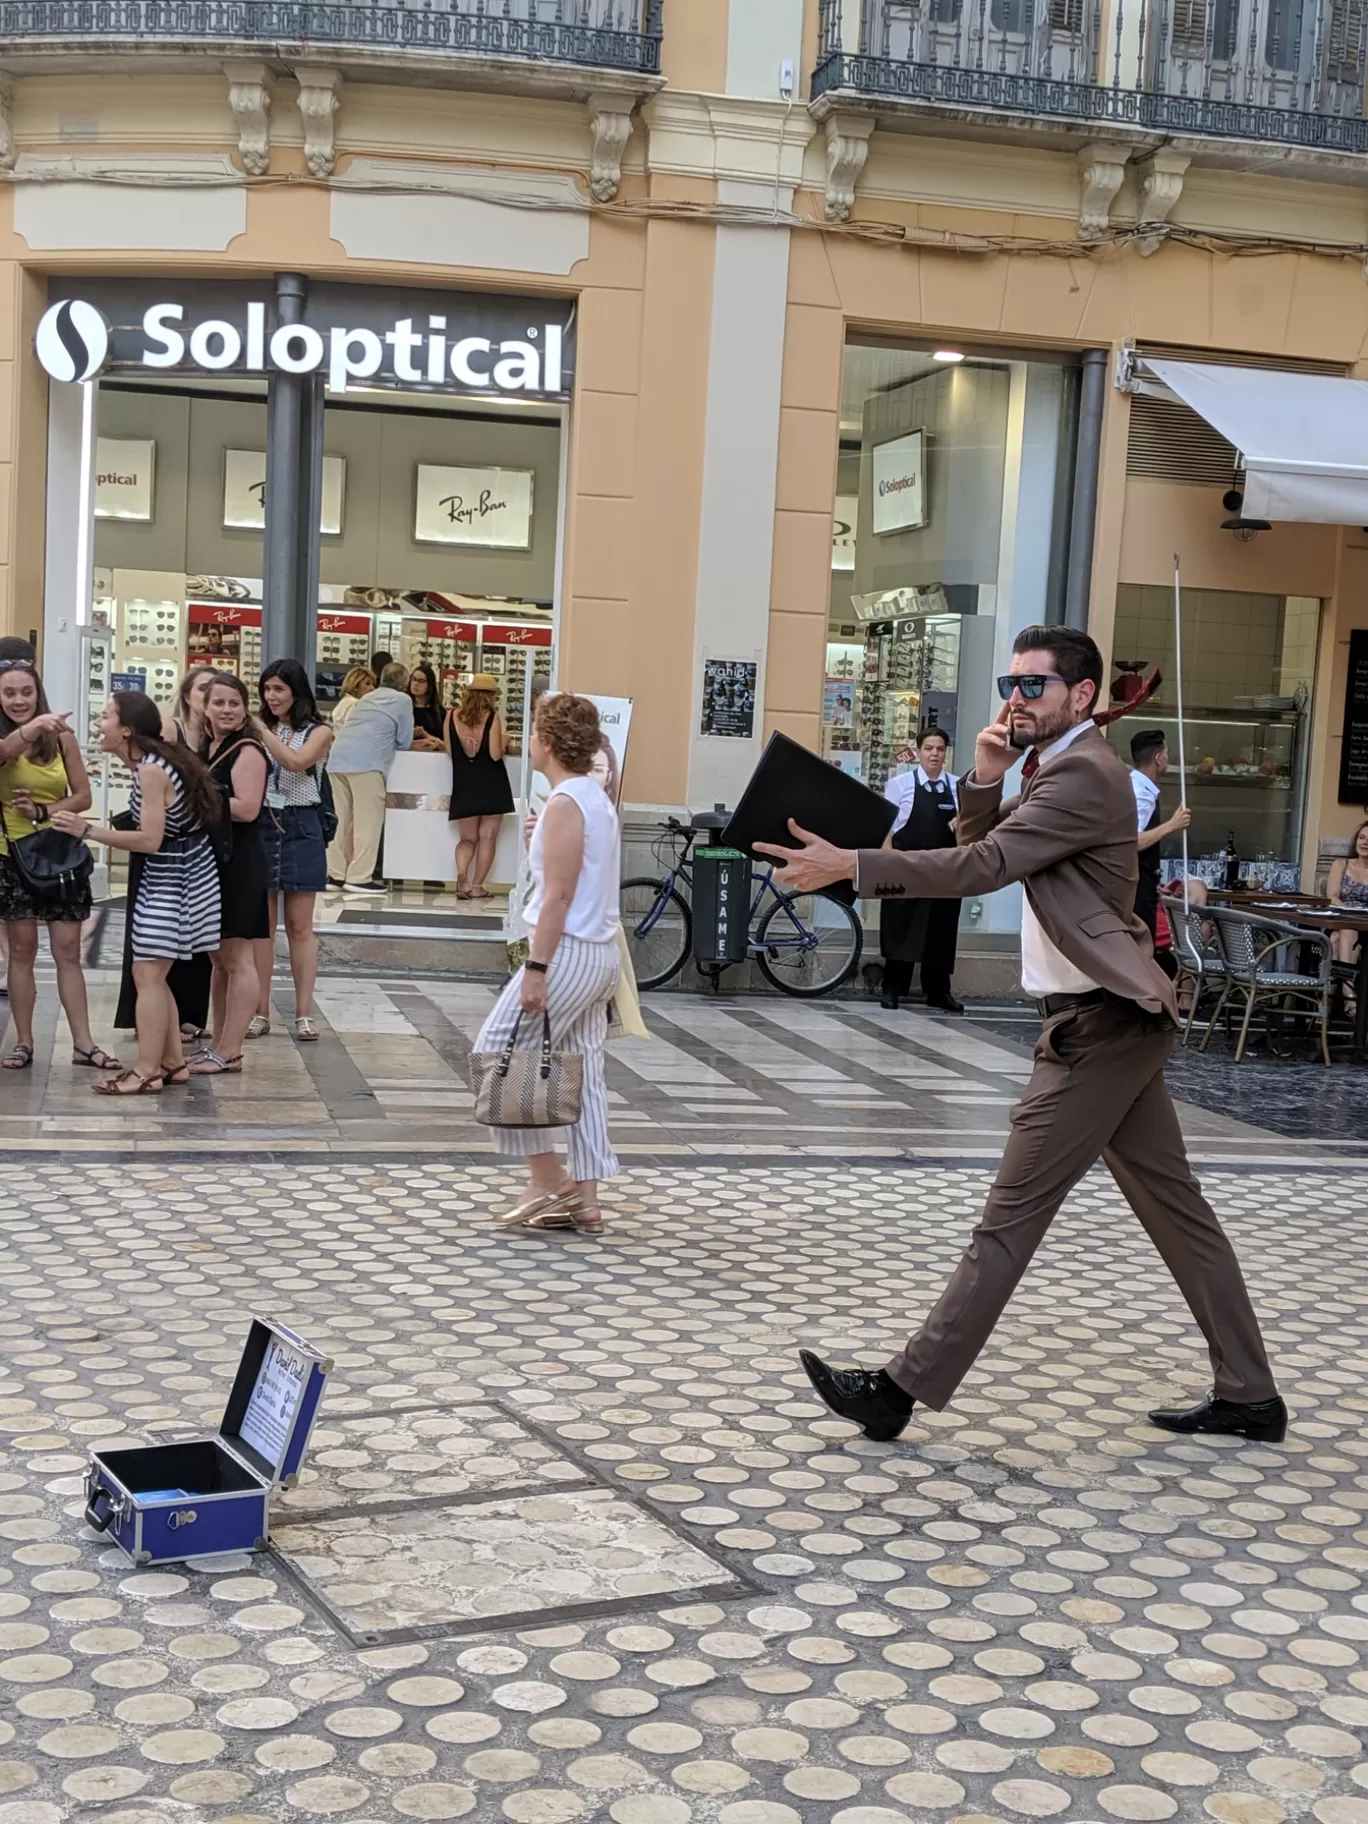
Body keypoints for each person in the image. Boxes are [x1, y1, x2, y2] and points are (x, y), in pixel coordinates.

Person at [757, 624, 1285, 1449]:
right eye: (1011, 682)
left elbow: (982, 868)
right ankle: (1251, 1395)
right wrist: (984, 778)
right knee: (1180, 1215)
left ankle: (898, 1390)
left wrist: (856, 867)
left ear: (1080, 696)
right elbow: (986, 847)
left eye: (1033, 685)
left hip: (1099, 1030)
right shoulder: (1052, 769)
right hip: (1110, 1019)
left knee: (1009, 1220)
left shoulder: (1085, 774)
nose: (1015, 697)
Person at [475, 693, 621, 1235]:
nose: (527, 740)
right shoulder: (591, 797)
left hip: (568, 952)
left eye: (534, 731)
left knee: (495, 1048)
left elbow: (558, 895)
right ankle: (585, 1197)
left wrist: (536, 968)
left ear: (550, 742)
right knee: (584, 1071)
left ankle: (546, 1175)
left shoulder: (566, 803)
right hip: (597, 953)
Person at [52, 690, 221, 1095]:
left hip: (175, 881)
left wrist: (87, 830)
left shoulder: (150, 770)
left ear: (126, 729)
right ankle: (172, 1062)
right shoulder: (157, 762)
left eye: (106, 716)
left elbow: (149, 839)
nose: (99, 723)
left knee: (147, 972)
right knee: (155, 975)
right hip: (184, 878)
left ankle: (146, 1070)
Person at [0, 657, 119, 1072]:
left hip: (58, 854)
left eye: (26, 692)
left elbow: (83, 796)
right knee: (21, 950)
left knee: (68, 951)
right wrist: (27, 731)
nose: (19, 700)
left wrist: (44, 812)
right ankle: (24, 1042)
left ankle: (84, 1044)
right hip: (11, 856)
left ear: (39, 693)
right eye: (9, 693)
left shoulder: (61, 737)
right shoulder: (11, 738)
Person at [192, 673, 269, 1075]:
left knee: (238, 960)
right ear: (205, 707)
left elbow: (248, 807)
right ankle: (218, 1043)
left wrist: (197, 802)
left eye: (234, 703)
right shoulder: (211, 747)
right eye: (219, 702)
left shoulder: (248, 750)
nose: (226, 710)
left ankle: (232, 1050)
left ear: (244, 708)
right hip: (216, 861)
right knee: (219, 959)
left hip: (240, 863)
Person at [252, 660, 332, 1042]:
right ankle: (259, 1010)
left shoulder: (319, 731)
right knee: (261, 929)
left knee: (300, 927)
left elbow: (297, 762)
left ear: (297, 691)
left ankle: (304, 1013)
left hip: (302, 824)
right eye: (267, 689)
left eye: (279, 689)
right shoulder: (260, 728)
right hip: (263, 823)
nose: (272, 696)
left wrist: (263, 733)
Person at [878, 726, 963, 1014]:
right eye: (929, 748)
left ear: (946, 753)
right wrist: (890, 863)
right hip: (907, 868)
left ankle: (939, 992)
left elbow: (966, 831)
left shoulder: (957, 786)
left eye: (940, 749)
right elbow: (886, 829)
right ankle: (892, 990)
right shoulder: (900, 785)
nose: (935, 754)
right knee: (901, 928)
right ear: (918, 752)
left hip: (944, 870)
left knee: (941, 931)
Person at [326, 660, 413, 895]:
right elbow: (404, 740)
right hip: (367, 763)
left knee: (339, 820)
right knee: (368, 822)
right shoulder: (403, 700)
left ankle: (334, 874)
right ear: (404, 683)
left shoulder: (367, 698)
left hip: (337, 760)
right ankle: (359, 877)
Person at [1129, 729, 1192, 980]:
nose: (1168, 758)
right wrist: (1171, 826)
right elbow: (1129, 841)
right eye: (1166, 753)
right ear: (1157, 757)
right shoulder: (1141, 794)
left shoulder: (1139, 787)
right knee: (1141, 949)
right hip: (1136, 889)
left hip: (1142, 885)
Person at [446, 673, 513, 899]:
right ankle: (477, 887)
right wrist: (504, 740)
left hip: (465, 782)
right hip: (492, 783)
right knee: (487, 836)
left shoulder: (451, 716)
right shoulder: (492, 718)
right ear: (491, 696)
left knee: (467, 838)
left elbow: (449, 750)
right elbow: (495, 754)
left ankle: (462, 873)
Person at [1328, 819, 1368, 1016]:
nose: (1365, 843)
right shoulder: (1341, 864)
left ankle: (1325, 1004)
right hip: (1342, 917)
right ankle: (1349, 994)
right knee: (1343, 931)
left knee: (1336, 940)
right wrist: (1348, 910)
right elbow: (1332, 897)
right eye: (1362, 837)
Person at [163, 665, 214, 750]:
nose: (209, 694)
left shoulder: (222, 734)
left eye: (214, 690)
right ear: (187, 697)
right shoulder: (170, 729)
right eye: (203, 688)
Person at [408, 664, 445, 752]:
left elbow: (446, 744)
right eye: (414, 679)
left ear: (429, 686)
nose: (416, 684)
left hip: (433, 757)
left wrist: (425, 735)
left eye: (421, 681)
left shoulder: (440, 712)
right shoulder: (403, 708)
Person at [330, 667, 374, 734]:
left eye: (373, 684)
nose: (372, 688)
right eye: (367, 683)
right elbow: (355, 731)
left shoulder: (345, 701)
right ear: (355, 686)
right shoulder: (354, 704)